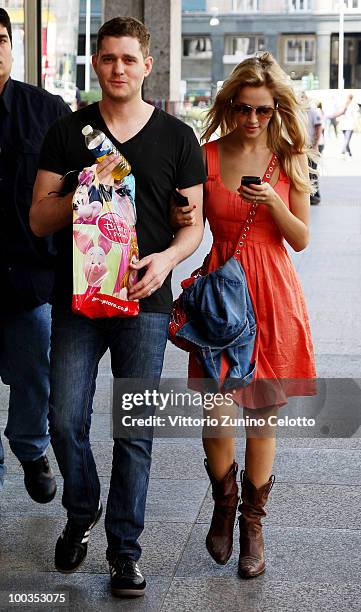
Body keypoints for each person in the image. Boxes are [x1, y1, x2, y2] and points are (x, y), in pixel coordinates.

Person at [30, 17, 205, 598]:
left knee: (136, 431)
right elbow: (37, 218)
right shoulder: (68, 133)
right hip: (79, 298)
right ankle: (83, 507)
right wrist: (81, 191)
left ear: (147, 65)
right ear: (96, 63)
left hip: (146, 300)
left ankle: (125, 553)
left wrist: (165, 261)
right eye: (108, 59)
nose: (118, 69)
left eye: (129, 59)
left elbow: (193, 227)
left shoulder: (178, 140)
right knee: (64, 419)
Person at [173, 52, 316, 579]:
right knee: (216, 411)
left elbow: (300, 238)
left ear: (277, 109)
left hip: (274, 292)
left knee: (262, 415)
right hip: (223, 293)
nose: (251, 119)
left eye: (262, 109)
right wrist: (180, 215)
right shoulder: (206, 157)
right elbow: (187, 225)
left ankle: (254, 524)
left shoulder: (290, 156)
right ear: (228, 106)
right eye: (241, 108)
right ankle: (224, 503)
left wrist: (275, 204)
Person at [0, 9, 70, 501]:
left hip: (28, 276)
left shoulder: (46, 110)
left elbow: (88, 175)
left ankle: (29, 447)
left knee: (35, 374)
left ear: (10, 45)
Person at [338, 94, 360, 158]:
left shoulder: (353, 105)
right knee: (346, 140)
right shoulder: (345, 105)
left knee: (346, 140)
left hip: (349, 125)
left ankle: (345, 152)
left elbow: (355, 115)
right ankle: (347, 153)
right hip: (345, 125)